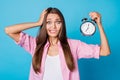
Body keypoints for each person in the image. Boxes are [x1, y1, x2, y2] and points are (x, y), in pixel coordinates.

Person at [5, 7, 110, 80]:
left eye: (58, 22)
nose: (53, 27)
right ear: (44, 25)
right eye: (48, 22)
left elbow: (105, 51)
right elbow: (8, 30)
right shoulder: (35, 44)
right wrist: (37, 23)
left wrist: (99, 24)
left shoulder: (74, 45)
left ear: (62, 24)